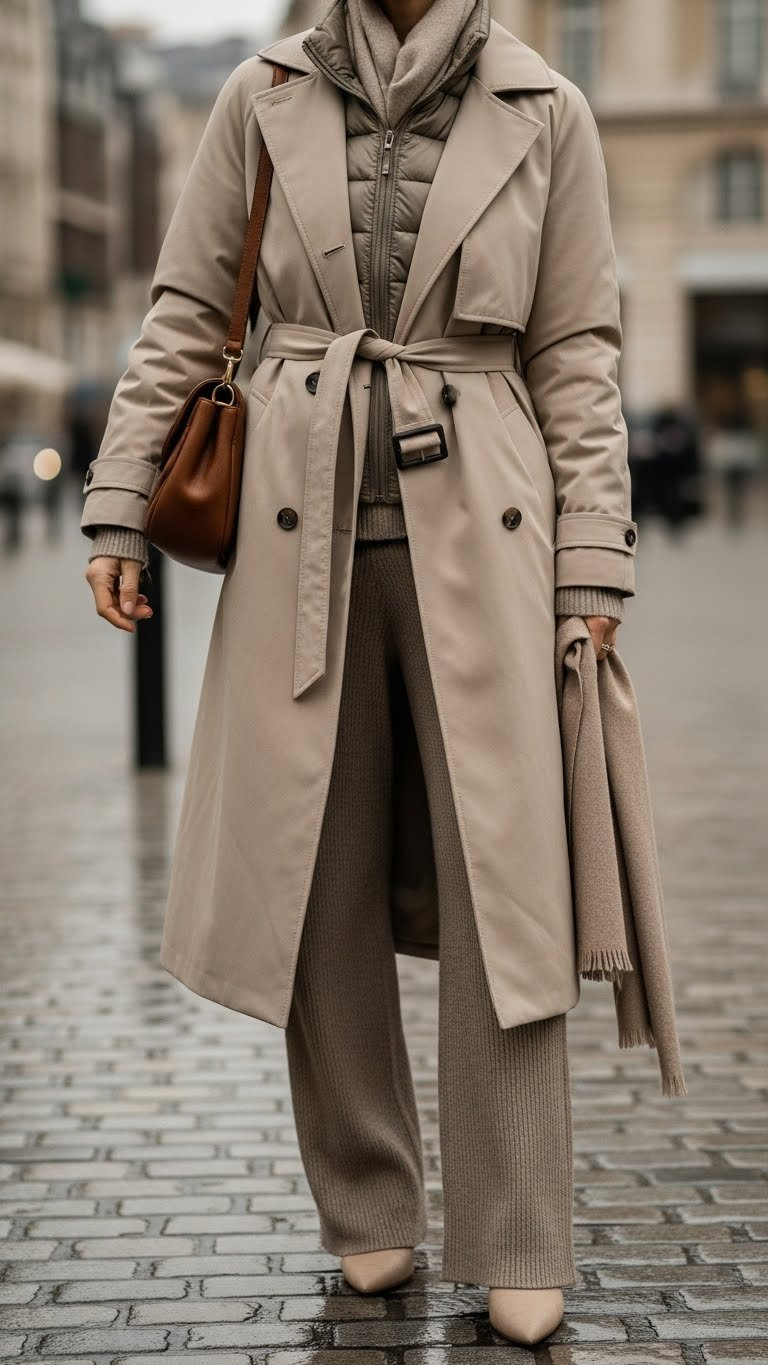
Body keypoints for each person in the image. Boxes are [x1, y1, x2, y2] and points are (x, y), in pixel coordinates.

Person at [81, 0, 638, 1346]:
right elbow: (182, 311)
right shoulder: (259, 94)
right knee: (311, 882)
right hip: (295, 534)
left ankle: (518, 1232)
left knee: (509, 894)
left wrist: (594, 557)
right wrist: (116, 502)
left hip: (489, 546)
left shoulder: (543, 106)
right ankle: (370, 1209)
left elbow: (577, 353)